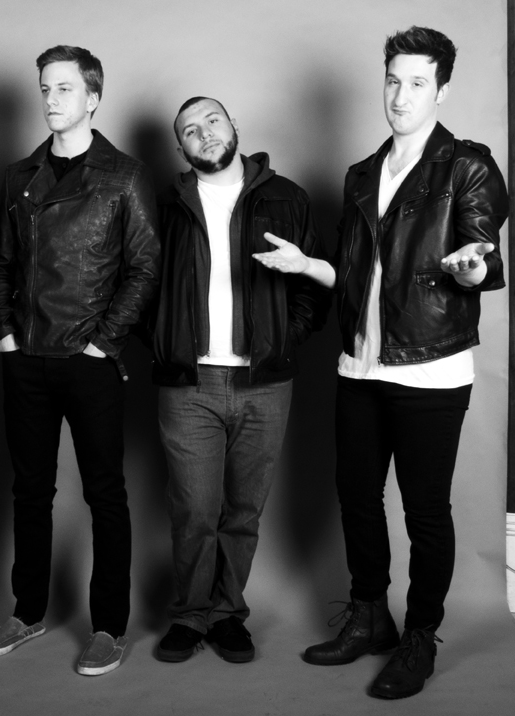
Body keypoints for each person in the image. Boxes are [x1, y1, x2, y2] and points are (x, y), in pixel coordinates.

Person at [255, 26, 507, 699]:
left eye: (417, 83)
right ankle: (370, 617)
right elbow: (360, 277)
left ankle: (420, 636)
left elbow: (483, 257)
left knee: (424, 511)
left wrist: (469, 267)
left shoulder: (466, 167)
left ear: (441, 90)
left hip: (430, 368)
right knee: (357, 498)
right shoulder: (362, 174)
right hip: (359, 367)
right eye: (393, 80)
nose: (400, 96)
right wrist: (307, 265)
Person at [0, 45, 159, 676]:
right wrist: (6, 336)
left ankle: (109, 626)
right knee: (30, 491)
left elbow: (145, 268)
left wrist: (102, 343)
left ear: (93, 97)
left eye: (64, 88)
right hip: (25, 359)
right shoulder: (19, 175)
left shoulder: (125, 176)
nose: (51, 99)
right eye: (45, 88)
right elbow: (0, 263)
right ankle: (27, 612)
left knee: (105, 494)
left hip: (89, 360)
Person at [152, 97, 330, 663]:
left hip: (265, 383)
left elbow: (312, 284)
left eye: (212, 120)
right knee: (193, 509)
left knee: (244, 511)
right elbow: (139, 282)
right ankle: (190, 614)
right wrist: (165, 344)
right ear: (180, 148)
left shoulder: (287, 198)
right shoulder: (165, 205)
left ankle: (227, 614)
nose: (204, 133)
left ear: (233, 126)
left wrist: (281, 340)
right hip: (189, 383)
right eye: (190, 130)